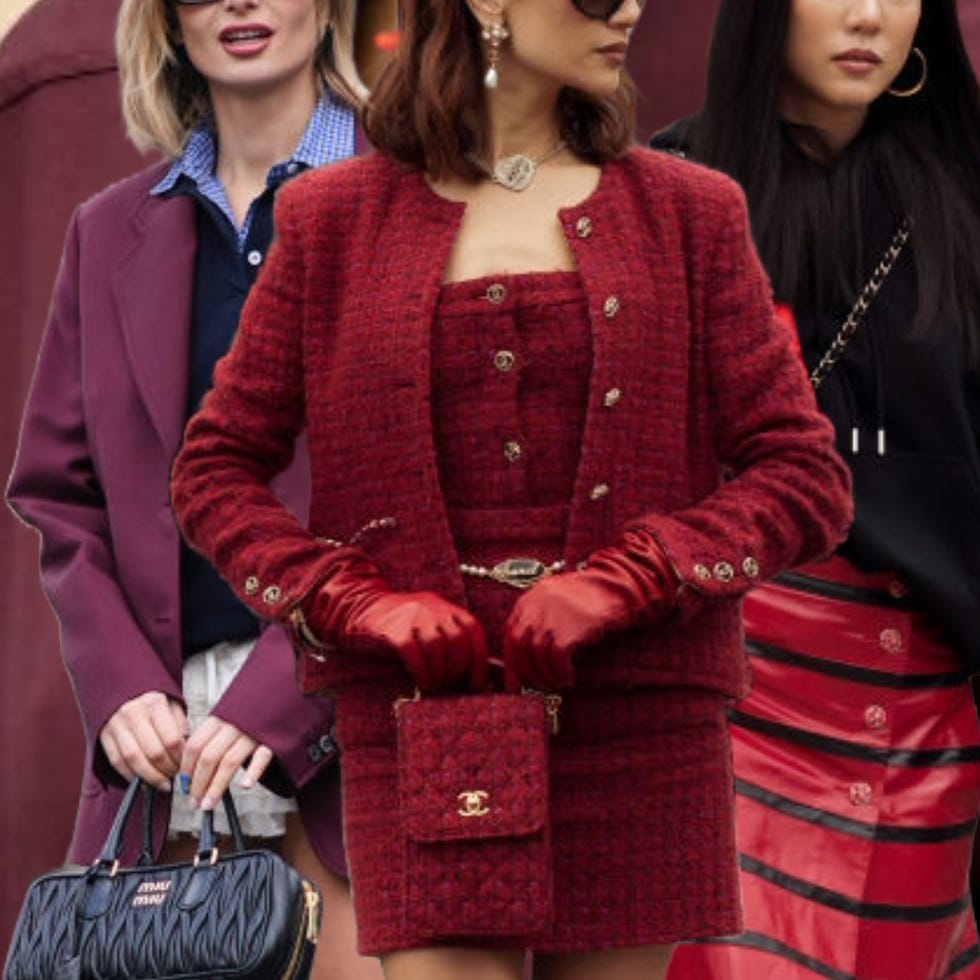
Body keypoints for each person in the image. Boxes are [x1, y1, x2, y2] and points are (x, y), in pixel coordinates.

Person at [168, 0, 853, 977]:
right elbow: (214, 468)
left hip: (638, 714)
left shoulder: (691, 212)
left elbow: (803, 475)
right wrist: (345, 598)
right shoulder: (330, 221)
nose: (623, 10)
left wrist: (636, 575)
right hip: (423, 717)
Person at [6, 0, 382, 978]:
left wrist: (274, 697)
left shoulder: (413, 198)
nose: (241, 3)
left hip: (362, 727)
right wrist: (118, 682)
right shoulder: (106, 232)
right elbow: (60, 492)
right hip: (163, 753)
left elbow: (429, 485)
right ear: (167, 21)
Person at [652, 1, 980, 978]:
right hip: (730, 705)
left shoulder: (962, 196)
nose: (868, 15)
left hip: (923, 722)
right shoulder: (671, 188)